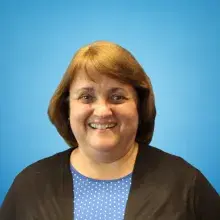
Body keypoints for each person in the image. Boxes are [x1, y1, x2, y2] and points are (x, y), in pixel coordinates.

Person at [0, 41, 219, 220]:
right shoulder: (30, 187)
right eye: (86, 97)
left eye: (117, 97)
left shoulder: (185, 184)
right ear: (67, 106)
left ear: (139, 106)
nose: (103, 111)